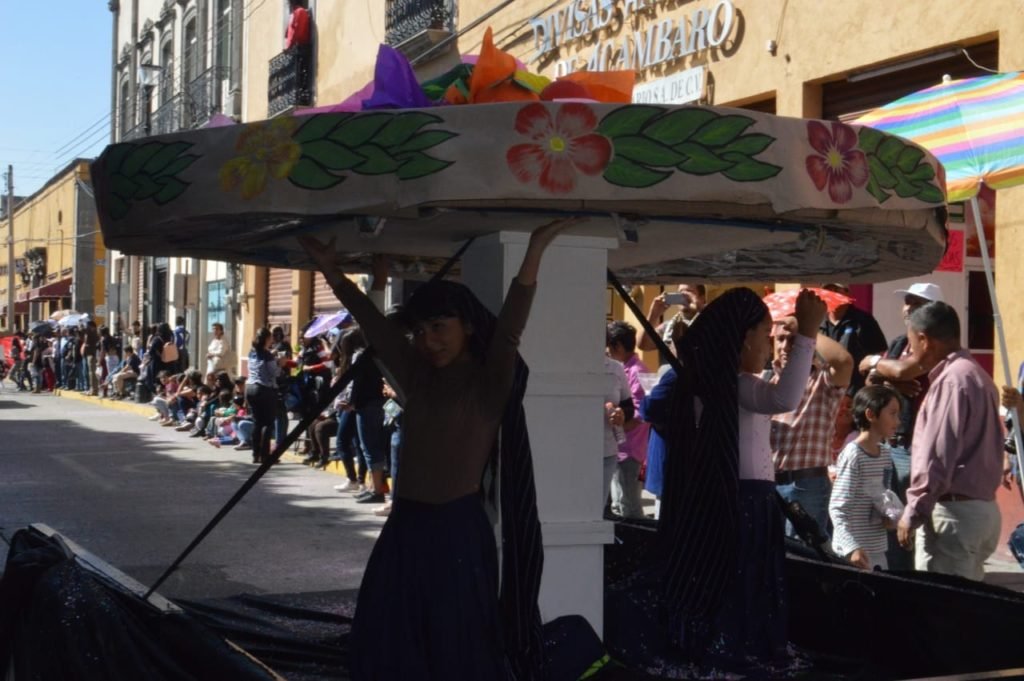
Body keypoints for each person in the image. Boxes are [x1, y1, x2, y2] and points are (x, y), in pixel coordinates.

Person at [298, 217, 576, 680]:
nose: (429, 339)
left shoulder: (489, 383)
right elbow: (374, 326)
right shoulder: (417, 375)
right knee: (388, 633)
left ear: (467, 326)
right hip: (406, 527)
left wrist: (534, 253)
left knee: (457, 643)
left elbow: (508, 332)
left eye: (440, 326)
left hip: (457, 532)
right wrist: (332, 274)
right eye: (421, 329)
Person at [896, 302, 1011, 581]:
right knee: (966, 609)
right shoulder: (976, 374)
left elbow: (937, 456)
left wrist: (913, 512)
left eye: (912, 344)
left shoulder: (952, 381)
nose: (910, 353)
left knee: (943, 612)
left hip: (955, 514)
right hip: (979, 511)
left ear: (924, 339)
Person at [770, 312, 853, 538]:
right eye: (781, 339)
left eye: (794, 340)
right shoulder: (767, 379)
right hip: (768, 485)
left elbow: (844, 361)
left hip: (807, 485)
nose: (786, 346)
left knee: (807, 557)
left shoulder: (821, 378)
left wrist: (807, 329)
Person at [829, 385, 902, 570]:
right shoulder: (853, 454)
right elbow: (837, 507)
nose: (898, 421)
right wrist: (851, 548)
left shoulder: (885, 454)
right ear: (871, 415)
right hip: (854, 554)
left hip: (876, 549)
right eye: (892, 414)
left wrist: (890, 516)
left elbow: (881, 495)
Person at [820, 284, 888, 454]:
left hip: (855, 399)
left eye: (837, 289)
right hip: (824, 396)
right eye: (828, 290)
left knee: (856, 444)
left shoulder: (863, 321)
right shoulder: (818, 322)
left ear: (847, 293)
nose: (832, 294)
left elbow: (879, 355)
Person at [606, 321, 650, 519]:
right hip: (620, 446)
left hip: (630, 448)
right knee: (618, 502)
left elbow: (641, 414)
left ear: (618, 347)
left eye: (609, 346)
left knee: (629, 504)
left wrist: (620, 429)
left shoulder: (637, 372)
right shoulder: (622, 368)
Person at [247, 328, 290, 465]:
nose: (272, 340)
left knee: (257, 422)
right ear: (267, 339)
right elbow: (275, 373)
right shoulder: (267, 355)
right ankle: (265, 456)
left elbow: (261, 365)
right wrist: (281, 364)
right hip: (264, 389)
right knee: (268, 423)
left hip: (251, 388)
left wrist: (272, 356)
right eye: (270, 337)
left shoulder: (252, 352)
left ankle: (255, 454)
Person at [637, 284, 707, 362]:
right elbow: (643, 345)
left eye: (689, 291)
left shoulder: (711, 322)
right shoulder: (668, 326)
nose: (684, 295)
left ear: (702, 298)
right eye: (681, 292)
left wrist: (699, 308)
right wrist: (653, 314)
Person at [286, 0, 313, 106]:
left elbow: (297, 30)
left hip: (300, 49)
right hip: (296, 50)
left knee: (300, 73)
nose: (289, 5)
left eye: (289, 2)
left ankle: (301, 95)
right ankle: (296, 94)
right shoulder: (295, 13)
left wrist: (290, 46)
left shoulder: (299, 12)